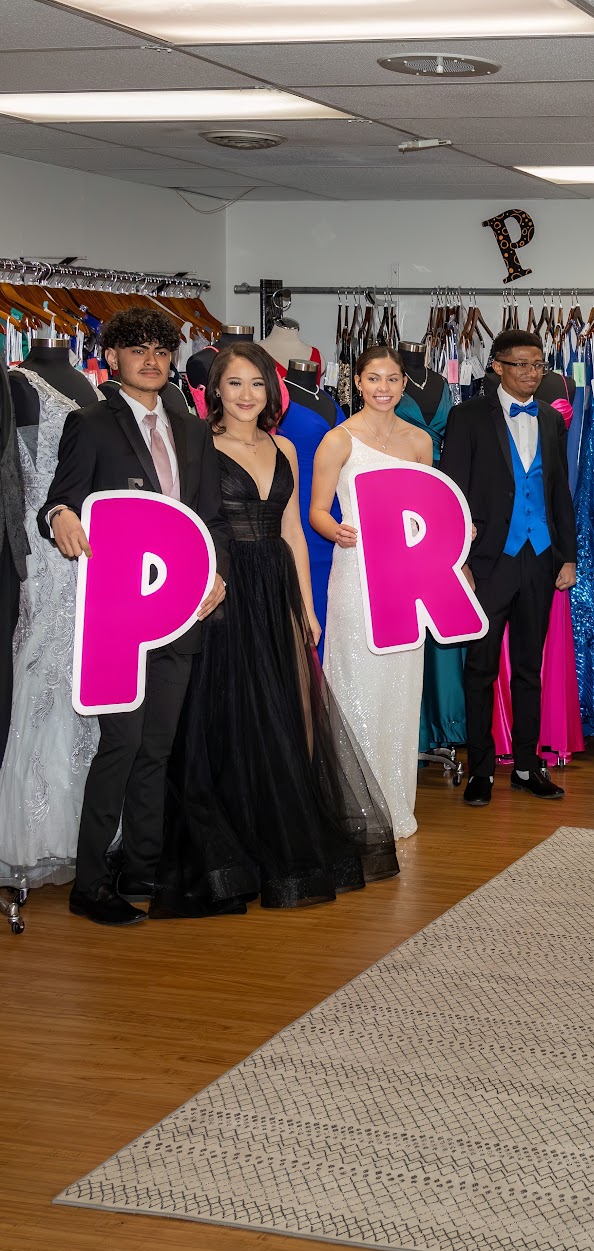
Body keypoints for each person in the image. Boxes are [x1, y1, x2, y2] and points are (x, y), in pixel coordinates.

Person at [153, 343, 398, 916]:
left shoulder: (284, 446)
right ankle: (228, 846)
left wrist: (306, 607)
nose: (247, 395)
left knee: (282, 711)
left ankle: (274, 829)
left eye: (257, 384)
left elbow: (292, 531)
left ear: (272, 391)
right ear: (215, 390)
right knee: (225, 711)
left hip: (275, 584)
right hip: (223, 587)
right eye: (235, 384)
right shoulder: (197, 443)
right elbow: (184, 525)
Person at [38, 307, 229, 925]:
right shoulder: (90, 423)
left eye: (161, 350)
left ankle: (143, 869)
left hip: (180, 609)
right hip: (117, 613)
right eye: (137, 349)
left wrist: (218, 574)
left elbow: (211, 518)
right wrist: (60, 517)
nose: (151, 360)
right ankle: (90, 885)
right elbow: (58, 501)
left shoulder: (192, 428)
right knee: (119, 745)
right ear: (113, 357)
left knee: (157, 747)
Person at [439, 329, 576, 806]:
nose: (531, 373)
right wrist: (458, 559)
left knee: (528, 669)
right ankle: (480, 769)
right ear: (497, 366)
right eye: (521, 364)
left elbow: (559, 493)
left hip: (539, 558)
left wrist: (568, 556)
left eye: (538, 365)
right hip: (487, 562)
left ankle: (526, 765)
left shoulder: (550, 419)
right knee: (480, 668)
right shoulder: (467, 416)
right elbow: (453, 491)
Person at [310, 346, 434, 838]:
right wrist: (335, 530)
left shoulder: (420, 441)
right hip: (356, 576)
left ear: (404, 384)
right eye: (373, 378)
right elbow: (317, 511)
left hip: (407, 579)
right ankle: (351, 807)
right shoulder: (338, 440)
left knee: (400, 686)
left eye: (392, 379)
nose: (383, 387)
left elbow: (429, 508)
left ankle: (393, 801)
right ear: (357, 382)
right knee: (355, 682)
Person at [0, 367, 98, 892]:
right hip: (40, 554)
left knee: (84, 679)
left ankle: (89, 828)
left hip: (91, 556)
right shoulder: (19, 386)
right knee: (40, 677)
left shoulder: (93, 385)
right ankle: (33, 831)